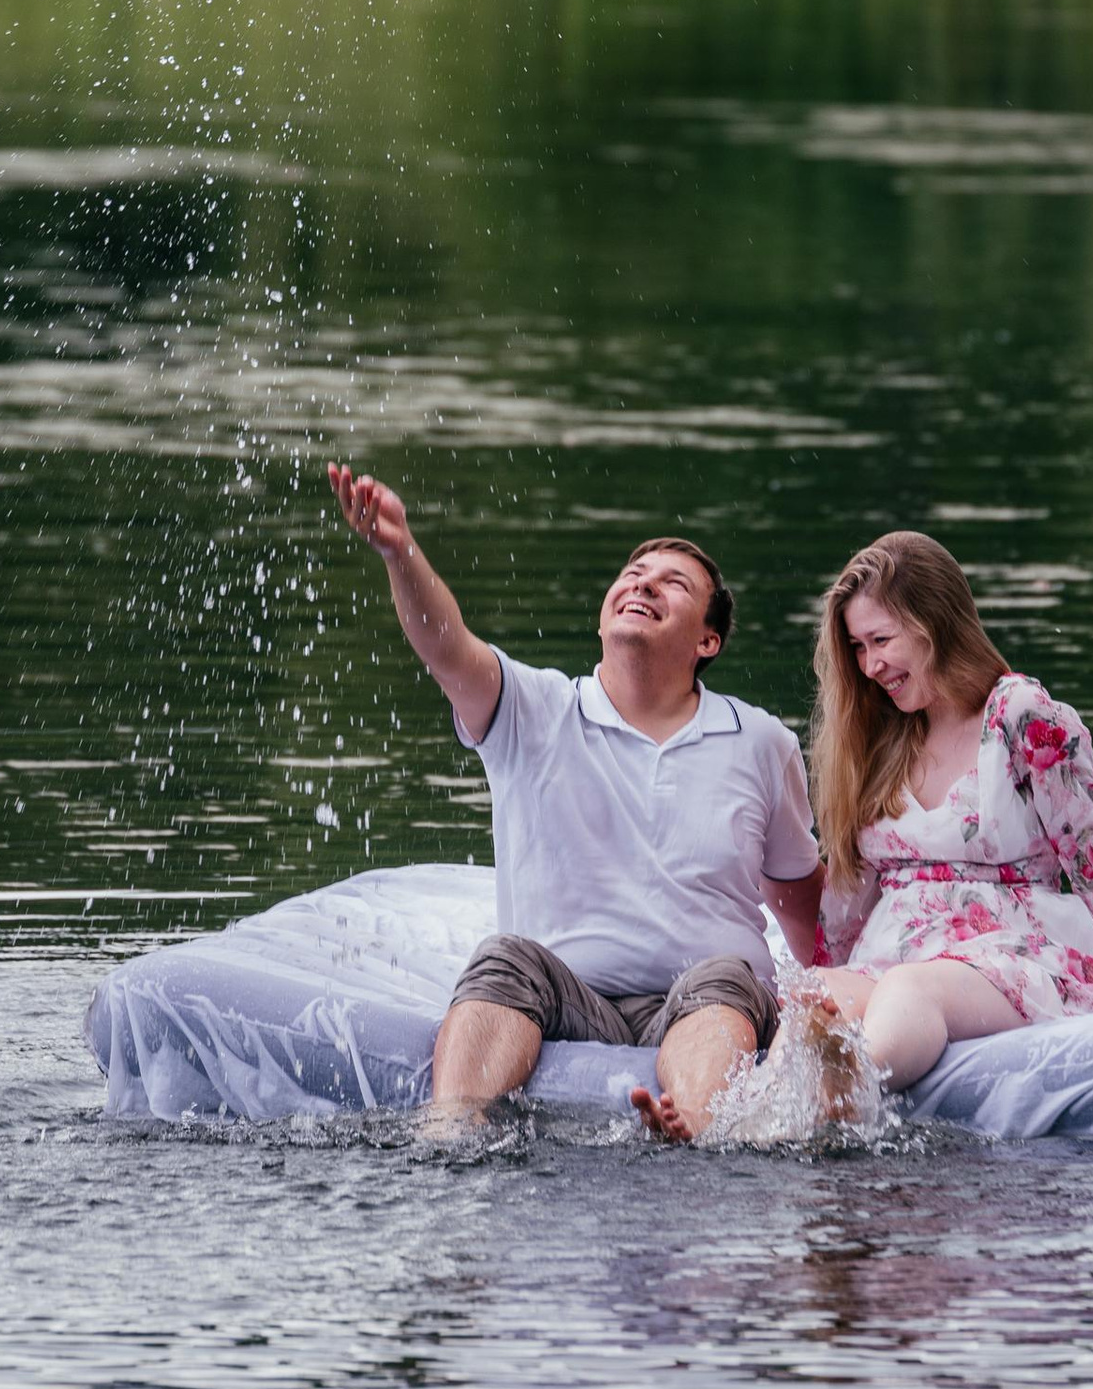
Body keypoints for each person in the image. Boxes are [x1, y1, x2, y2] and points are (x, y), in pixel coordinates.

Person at [634, 529, 1093, 1141]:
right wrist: (823, 976)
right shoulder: (880, 738)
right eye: (858, 649)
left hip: (1007, 946)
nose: (870, 665)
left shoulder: (1020, 716)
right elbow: (854, 891)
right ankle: (732, 1125)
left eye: (881, 641)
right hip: (898, 943)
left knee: (911, 990)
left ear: (933, 623)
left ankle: (847, 1090)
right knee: (817, 997)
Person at [327, 465, 823, 1133]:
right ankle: (449, 1128)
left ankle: (702, 1129)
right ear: (603, 616)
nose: (644, 582)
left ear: (708, 641)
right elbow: (446, 649)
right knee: (504, 956)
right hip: (563, 994)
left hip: (704, 999)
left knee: (726, 974)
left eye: (673, 583)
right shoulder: (534, 708)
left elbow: (802, 905)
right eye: (633, 573)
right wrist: (400, 551)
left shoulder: (761, 740)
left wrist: (842, 994)